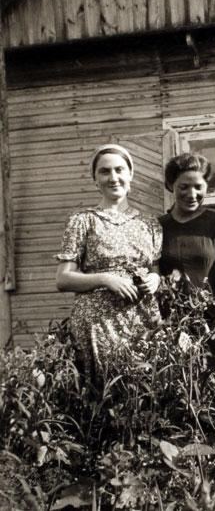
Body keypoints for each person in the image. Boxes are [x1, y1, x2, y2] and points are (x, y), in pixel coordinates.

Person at [55, 144, 162, 383]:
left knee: (144, 392)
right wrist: (106, 279)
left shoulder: (150, 223)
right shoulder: (83, 221)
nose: (113, 177)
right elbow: (63, 279)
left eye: (119, 170)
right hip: (97, 322)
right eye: (105, 172)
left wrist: (155, 279)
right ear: (95, 179)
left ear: (130, 174)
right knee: (102, 393)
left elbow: (154, 268)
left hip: (142, 318)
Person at [158, 153, 215, 334]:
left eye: (198, 187)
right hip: (170, 326)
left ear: (207, 187)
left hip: (213, 324)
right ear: (171, 186)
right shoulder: (158, 227)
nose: (192, 194)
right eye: (184, 187)